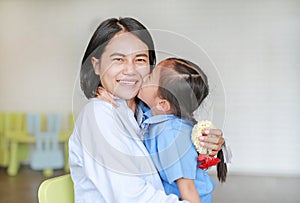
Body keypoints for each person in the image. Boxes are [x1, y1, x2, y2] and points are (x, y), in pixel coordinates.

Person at [69, 17, 224, 202]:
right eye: (118, 59)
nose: (130, 70)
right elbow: (131, 197)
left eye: (140, 59)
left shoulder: (150, 113)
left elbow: (179, 143)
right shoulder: (98, 115)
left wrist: (207, 144)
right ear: (96, 65)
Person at [137, 57, 219, 203]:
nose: (143, 78)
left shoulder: (172, 134)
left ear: (162, 104)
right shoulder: (155, 115)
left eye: (150, 78)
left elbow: (187, 188)